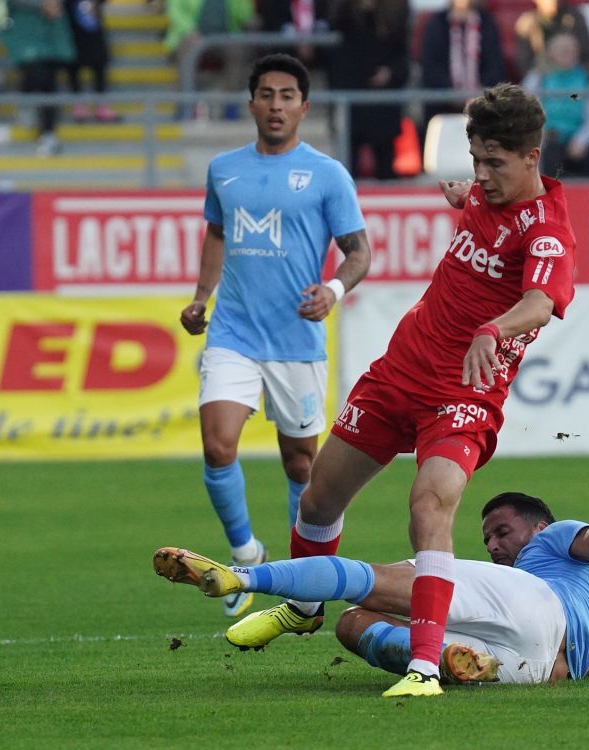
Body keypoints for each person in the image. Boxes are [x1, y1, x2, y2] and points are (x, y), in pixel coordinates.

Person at [224, 83, 579, 699]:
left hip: (462, 395)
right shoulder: (486, 196)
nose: (481, 175)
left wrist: (494, 328)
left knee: (429, 507)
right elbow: (487, 214)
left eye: (495, 163)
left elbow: (540, 302)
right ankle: (303, 608)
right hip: (398, 373)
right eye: (475, 161)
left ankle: (423, 666)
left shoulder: (547, 232)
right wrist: (467, 194)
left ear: (532, 156)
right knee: (316, 503)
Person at [181, 54, 371, 619]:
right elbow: (217, 232)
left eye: (288, 95)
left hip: (296, 339)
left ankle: (299, 577)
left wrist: (333, 291)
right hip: (233, 331)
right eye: (266, 94)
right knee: (218, 444)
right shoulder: (225, 169)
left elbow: (359, 251)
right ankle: (243, 556)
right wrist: (201, 296)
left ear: (304, 107)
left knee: (300, 465)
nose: (276, 105)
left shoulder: (328, 174)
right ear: (251, 104)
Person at [154, 492, 589, 687]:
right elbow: (571, 665)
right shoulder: (586, 605)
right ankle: (450, 658)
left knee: (391, 579)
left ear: (540, 527)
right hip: (532, 668)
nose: (495, 545)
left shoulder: (552, 544)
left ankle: (244, 578)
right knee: (354, 623)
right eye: (489, 538)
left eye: (503, 532)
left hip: (530, 604)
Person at [326, 0, 411, 181]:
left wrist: (391, 72)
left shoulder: (396, 9)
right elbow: (335, 37)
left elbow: (403, 52)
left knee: (385, 161)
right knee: (349, 164)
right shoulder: (345, 10)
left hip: (384, 98)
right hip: (351, 93)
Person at [2, 0, 76, 157]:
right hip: (26, 34)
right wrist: (43, 4)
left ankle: (48, 132)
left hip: (51, 34)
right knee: (35, 73)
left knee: (49, 82)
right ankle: (26, 105)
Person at [523, 31, 589, 178]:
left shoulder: (584, 79)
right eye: (563, 49)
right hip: (547, 137)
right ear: (550, 52)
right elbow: (525, 113)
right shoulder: (538, 78)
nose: (568, 53)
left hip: (576, 137)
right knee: (545, 154)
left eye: (572, 50)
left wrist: (581, 140)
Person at [419, 0, 507, 122]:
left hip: (482, 109)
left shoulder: (487, 23)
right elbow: (430, 68)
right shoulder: (437, 24)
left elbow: (495, 65)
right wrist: (451, 94)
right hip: (443, 109)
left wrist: (480, 93)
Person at [512, 0, 589, 79]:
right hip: (542, 81)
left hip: (574, 80)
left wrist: (581, 76)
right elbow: (524, 63)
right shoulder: (527, 23)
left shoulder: (575, 18)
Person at [64, 0, 116, 123]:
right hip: (73, 33)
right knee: (74, 68)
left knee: (100, 66)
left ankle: (101, 106)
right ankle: (79, 105)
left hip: (94, 34)